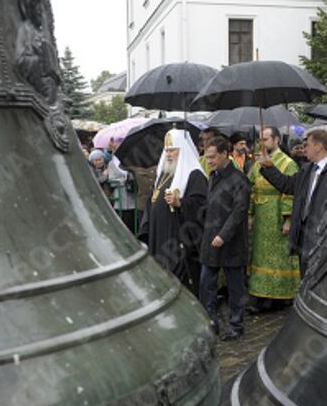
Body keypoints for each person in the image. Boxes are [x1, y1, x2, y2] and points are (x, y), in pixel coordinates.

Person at [259, 129, 327, 275]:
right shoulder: (307, 169)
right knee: (305, 276)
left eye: (307, 145)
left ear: (318, 146)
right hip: (304, 236)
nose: (303, 148)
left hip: (323, 237)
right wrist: (268, 167)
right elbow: (287, 185)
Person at [139, 129, 207, 294]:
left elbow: (201, 206)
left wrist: (180, 203)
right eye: (167, 150)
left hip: (178, 240)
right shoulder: (164, 174)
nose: (168, 154)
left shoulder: (194, 175)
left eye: (173, 150)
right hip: (159, 235)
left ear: (182, 151)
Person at [199, 136, 251, 340]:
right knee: (206, 283)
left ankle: (236, 325)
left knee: (235, 286)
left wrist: (223, 235)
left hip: (232, 242)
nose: (209, 161)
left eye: (212, 157)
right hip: (210, 239)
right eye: (206, 156)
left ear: (223, 154)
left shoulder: (240, 179)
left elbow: (239, 211)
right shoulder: (213, 176)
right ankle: (211, 321)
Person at [248, 126, 301, 311]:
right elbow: (252, 188)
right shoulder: (258, 163)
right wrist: (250, 213)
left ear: (277, 140)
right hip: (262, 217)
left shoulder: (288, 163)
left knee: (277, 258)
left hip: (277, 215)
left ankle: (277, 296)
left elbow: (291, 193)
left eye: (265, 139)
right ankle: (260, 294)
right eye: (260, 140)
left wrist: (288, 219)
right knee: (261, 257)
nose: (261, 143)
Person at [107, 154, 139, 234]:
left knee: (133, 223)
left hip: (132, 197)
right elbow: (112, 181)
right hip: (120, 199)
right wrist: (124, 180)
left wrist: (130, 178)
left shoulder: (132, 161)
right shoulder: (112, 163)